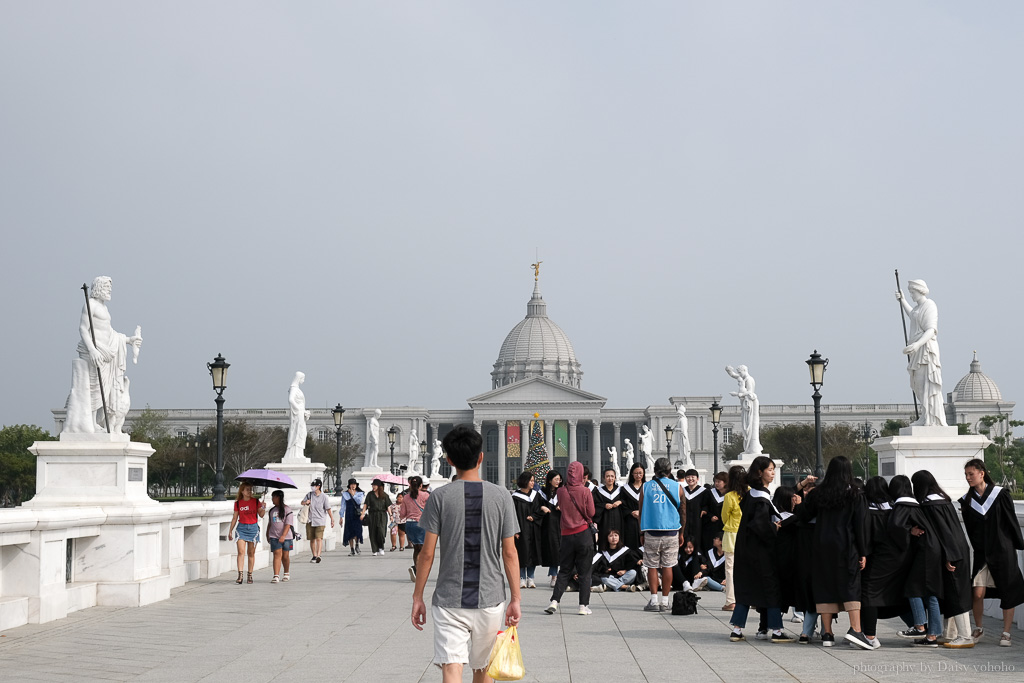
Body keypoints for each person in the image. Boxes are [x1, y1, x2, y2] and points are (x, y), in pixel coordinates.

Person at [411, 424, 521, 682]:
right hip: (490, 597)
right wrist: (515, 597)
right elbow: (509, 553)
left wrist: (418, 597)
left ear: (448, 460)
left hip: (449, 598)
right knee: (483, 668)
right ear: (481, 457)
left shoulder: (439, 497)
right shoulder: (502, 496)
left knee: (451, 667)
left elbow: (426, 554)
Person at [795, 456, 870, 650]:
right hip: (846, 544)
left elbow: (803, 515)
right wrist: (863, 551)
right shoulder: (855, 494)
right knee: (851, 584)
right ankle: (856, 630)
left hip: (821, 544)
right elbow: (860, 524)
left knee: (824, 585)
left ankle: (827, 633)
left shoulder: (818, 493)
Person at [65, 276, 143, 434]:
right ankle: (90, 423)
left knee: (103, 391)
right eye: (107, 288)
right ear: (99, 288)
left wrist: (127, 340)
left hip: (106, 353)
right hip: (94, 352)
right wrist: (93, 349)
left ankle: (94, 422)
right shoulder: (90, 305)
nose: (109, 291)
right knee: (93, 388)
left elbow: (109, 332)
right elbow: (82, 329)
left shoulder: (104, 308)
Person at [728, 456, 793, 643]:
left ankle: (737, 629)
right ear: (759, 472)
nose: (773, 473)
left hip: (745, 549)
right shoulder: (761, 498)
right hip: (761, 552)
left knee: (746, 589)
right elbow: (760, 525)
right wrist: (775, 527)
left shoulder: (751, 494)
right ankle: (777, 631)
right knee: (771, 588)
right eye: (770, 470)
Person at [961, 458, 1024, 648]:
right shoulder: (967, 501)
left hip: (1003, 551)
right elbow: (970, 531)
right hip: (982, 553)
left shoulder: (1000, 495)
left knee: (1007, 590)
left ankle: (1006, 633)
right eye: (966, 475)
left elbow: (1011, 520)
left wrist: (1015, 544)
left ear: (982, 473)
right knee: (977, 592)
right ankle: (979, 628)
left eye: (971, 474)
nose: (968, 478)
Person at [913, 469, 974, 649]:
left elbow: (944, 534)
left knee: (957, 594)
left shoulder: (932, 505)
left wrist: (950, 556)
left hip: (952, 553)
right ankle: (950, 634)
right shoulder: (943, 500)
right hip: (958, 550)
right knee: (951, 593)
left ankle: (965, 635)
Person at [889, 474, 943, 647]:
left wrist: (908, 532)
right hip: (934, 550)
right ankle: (933, 635)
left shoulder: (902, 505)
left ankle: (919, 626)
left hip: (924, 552)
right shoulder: (917, 505)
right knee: (930, 593)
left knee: (912, 589)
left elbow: (895, 527)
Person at [545, 460, 597, 616]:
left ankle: (554, 601)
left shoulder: (561, 491)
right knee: (585, 571)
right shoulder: (585, 491)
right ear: (581, 474)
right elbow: (592, 513)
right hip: (583, 534)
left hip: (566, 535)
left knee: (564, 570)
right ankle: (583, 606)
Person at [859, 476, 906, 649]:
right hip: (897, 558)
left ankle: (870, 635)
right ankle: (921, 627)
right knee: (899, 593)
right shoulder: (895, 509)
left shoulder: (867, 511)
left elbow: (865, 537)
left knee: (869, 593)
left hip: (876, 557)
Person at [895, 280, 947, 427]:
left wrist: (917, 345)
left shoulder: (930, 305)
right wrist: (902, 300)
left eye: (912, 292)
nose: (911, 295)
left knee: (926, 383)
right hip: (917, 351)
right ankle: (926, 415)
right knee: (918, 384)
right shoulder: (918, 307)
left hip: (926, 350)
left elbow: (931, 329)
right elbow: (912, 315)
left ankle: (932, 418)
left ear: (919, 291)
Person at [638, 457, 686, 613]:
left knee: (651, 566)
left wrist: (641, 532)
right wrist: (681, 532)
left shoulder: (645, 487)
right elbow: (683, 512)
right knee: (668, 565)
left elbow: (640, 512)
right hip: (671, 531)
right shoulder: (677, 487)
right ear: (670, 470)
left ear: (655, 470)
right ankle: (665, 601)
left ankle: (654, 601)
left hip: (651, 531)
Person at [227, 482, 264, 585]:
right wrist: (230, 530)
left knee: (251, 553)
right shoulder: (238, 503)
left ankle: (250, 574)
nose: (249, 491)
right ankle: (240, 574)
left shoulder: (256, 502)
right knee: (241, 551)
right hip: (241, 528)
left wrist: (263, 507)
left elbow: (261, 515)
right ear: (242, 491)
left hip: (253, 528)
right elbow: (235, 518)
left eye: (250, 489)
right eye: (247, 489)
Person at [721, 464, 746, 611]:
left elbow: (725, 517)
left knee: (730, 569)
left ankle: (731, 600)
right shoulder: (749, 493)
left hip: (732, 532)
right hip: (747, 533)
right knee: (747, 567)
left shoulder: (729, 496)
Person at [512, 471, 543, 588]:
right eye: (531, 481)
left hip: (533, 528)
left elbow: (540, 510)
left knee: (533, 553)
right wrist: (514, 530)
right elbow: (512, 515)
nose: (533, 483)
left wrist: (534, 517)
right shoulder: (515, 497)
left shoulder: (536, 495)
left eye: (533, 481)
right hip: (521, 529)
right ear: (524, 481)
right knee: (522, 553)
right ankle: (521, 578)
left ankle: (531, 578)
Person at [725, 365, 763, 454]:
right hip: (745, 405)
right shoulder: (743, 378)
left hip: (750, 404)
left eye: (740, 372)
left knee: (749, 427)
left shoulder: (749, 379)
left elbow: (750, 392)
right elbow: (734, 375)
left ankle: (752, 448)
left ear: (745, 370)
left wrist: (738, 394)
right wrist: (729, 370)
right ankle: (748, 448)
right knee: (746, 428)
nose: (739, 374)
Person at [402, 475, 430, 582]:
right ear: (421, 485)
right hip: (422, 524)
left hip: (409, 525)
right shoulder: (425, 495)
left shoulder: (406, 497)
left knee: (416, 548)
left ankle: (416, 568)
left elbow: (403, 514)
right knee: (423, 550)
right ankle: (418, 570)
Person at [537, 470, 562, 587]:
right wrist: (542, 507)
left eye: (559, 479)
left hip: (561, 524)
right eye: (556, 479)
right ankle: (553, 576)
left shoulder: (562, 492)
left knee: (560, 550)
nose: (558, 481)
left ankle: (559, 576)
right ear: (549, 480)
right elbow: (536, 506)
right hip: (548, 525)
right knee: (553, 551)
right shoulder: (542, 492)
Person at [264, 489, 294, 584]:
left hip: (286, 537)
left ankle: (286, 573)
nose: (272, 499)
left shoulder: (287, 509)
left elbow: (288, 524)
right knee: (276, 554)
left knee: (285, 556)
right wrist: (267, 533)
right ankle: (276, 575)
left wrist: (283, 536)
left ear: (279, 497)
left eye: (274, 497)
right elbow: (270, 523)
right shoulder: (272, 510)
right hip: (274, 536)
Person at [301, 478, 334, 563]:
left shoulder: (324, 497)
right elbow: (302, 502)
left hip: (320, 520)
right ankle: (314, 555)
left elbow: (328, 509)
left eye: (314, 486)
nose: (313, 487)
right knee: (312, 539)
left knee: (319, 538)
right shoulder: (309, 495)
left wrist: (332, 519)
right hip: (310, 519)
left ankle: (319, 555)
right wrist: (306, 502)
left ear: (319, 486)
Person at [593, 468, 624, 551]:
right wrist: (604, 505)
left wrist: (620, 502)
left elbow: (626, 502)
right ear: (604, 478)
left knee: (618, 537)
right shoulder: (598, 492)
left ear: (615, 477)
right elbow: (595, 505)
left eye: (612, 476)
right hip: (604, 520)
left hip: (618, 519)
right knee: (604, 538)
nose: (610, 478)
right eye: (607, 476)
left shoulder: (620, 491)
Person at [363, 479, 392, 556]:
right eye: (373, 485)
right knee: (373, 532)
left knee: (381, 532)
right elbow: (366, 504)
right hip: (372, 514)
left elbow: (388, 506)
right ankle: (374, 549)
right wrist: (363, 513)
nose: (373, 487)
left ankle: (381, 547)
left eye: (375, 485)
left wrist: (391, 515)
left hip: (382, 515)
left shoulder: (385, 495)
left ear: (379, 486)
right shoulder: (370, 494)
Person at [283, 372, 309, 460]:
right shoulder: (293, 388)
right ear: (299, 378)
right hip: (297, 414)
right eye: (303, 378)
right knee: (297, 432)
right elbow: (291, 399)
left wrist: (304, 411)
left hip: (300, 413)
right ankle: (295, 454)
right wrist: (299, 409)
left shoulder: (296, 388)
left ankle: (299, 453)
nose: (304, 380)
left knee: (302, 432)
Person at [701, 472, 727, 554]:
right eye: (715, 481)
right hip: (712, 525)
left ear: (725, 482)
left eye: (719, 481)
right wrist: (710, 516)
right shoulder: (710, 493)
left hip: (725, 526)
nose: (716, 483)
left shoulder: (730, 495)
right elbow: (705, 507)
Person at [681, 469, 706, 551]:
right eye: (688, 477)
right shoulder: (682, 491)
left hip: (698, 521)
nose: (690, 479)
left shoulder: (704, 492)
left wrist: (705, 509)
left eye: (693, 477)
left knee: (697, 540)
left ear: (697, 479)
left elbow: (707, 504)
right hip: (685, 521)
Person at [341, 479, 365, 555]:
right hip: (349, 514)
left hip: (356, 514)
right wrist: (341, 516)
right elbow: (343, 505)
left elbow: (359, 501)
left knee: (357, 530)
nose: (353, 486)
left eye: (354, 484)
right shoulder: (345, 494)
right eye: (351, 484)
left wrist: (353, 494)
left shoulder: (360, 493)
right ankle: (352, 549)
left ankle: (357, 544)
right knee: (349, 532)